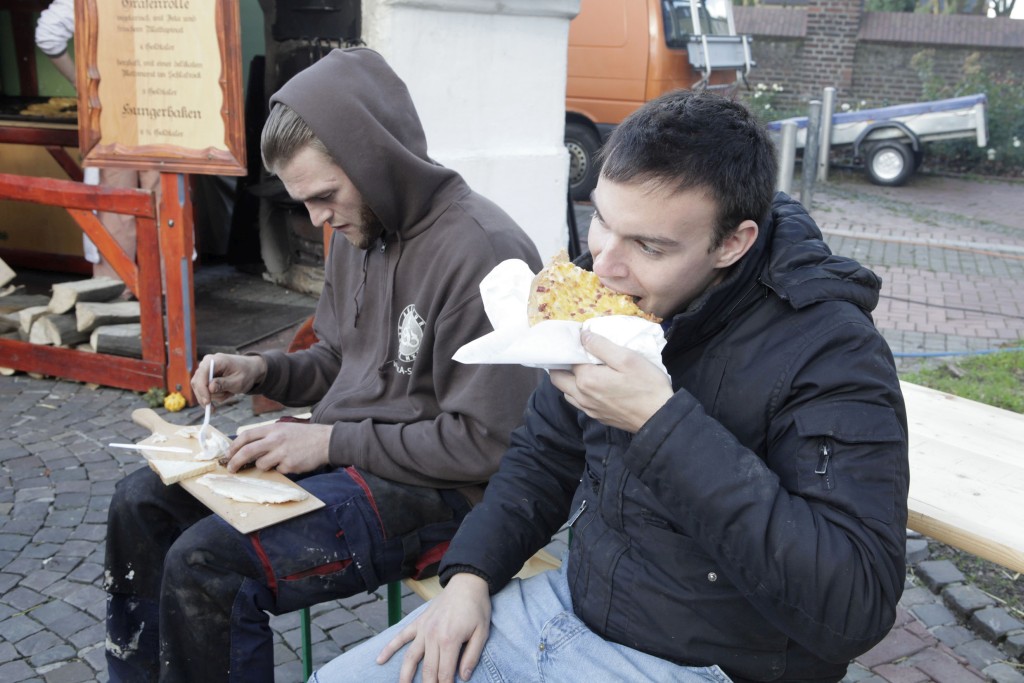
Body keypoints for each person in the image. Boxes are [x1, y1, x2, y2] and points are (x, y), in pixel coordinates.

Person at [316, 90, 910, 683]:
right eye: (601, 219)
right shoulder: (608, 286)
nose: (602, 265)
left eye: (649, 246)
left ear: (733, 242)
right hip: (568, 608)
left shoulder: (832, 351)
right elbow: (543, 456)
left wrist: (658, 424)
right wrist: (470, 576)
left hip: (712, 662)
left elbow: (856, 605)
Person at [102, 47, 543, 682]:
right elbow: (340, 359)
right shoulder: (359, 228)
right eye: (303, 203)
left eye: (325, 196)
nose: (317, 220)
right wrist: (262, 371)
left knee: (208, 564)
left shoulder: (485, 251)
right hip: (354, 456)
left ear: (377, 160)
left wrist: (328, 441)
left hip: (446, 493)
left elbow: (489, 445)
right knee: (141, 502)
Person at [34, 0, 161, 283]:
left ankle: (115, 290)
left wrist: (83, 86)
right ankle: (165, 291)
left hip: (113, 103)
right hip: (166, 101)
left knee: (117, 202)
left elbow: (48, 34)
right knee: (162, 201)